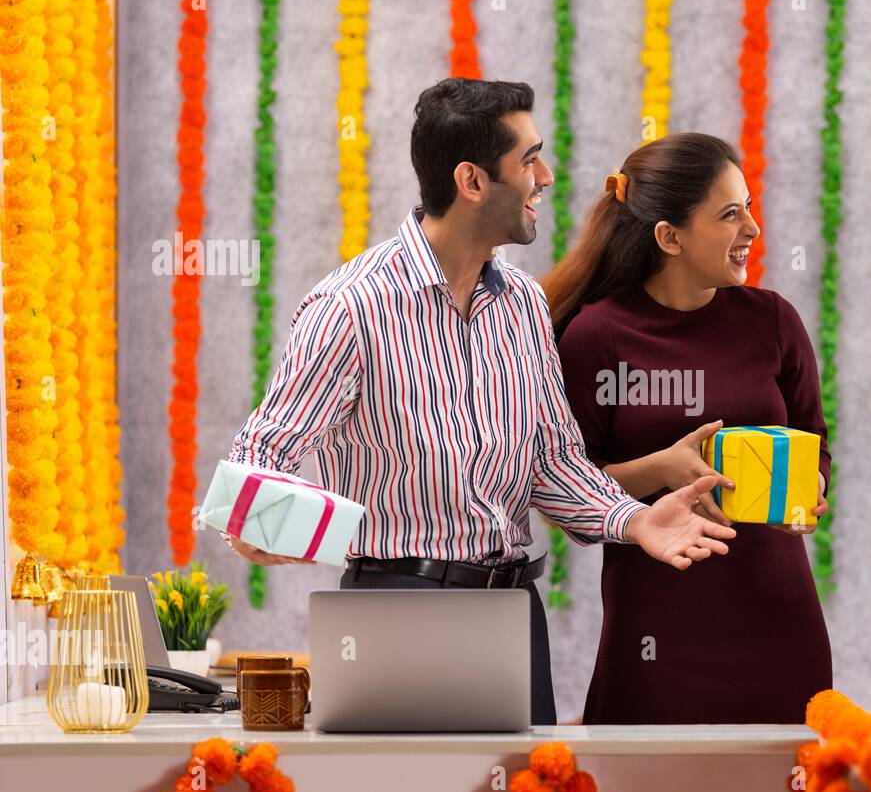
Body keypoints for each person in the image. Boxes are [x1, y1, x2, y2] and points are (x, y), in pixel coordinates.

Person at [223, 78, 737, 725]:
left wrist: (635, 520)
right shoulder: (352, 305)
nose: (544, 176)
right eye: (529, 159)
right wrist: (262, 525)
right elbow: (259, 463)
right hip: (396, 613)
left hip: (514, 612)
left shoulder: (522, 304)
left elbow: (554, 463)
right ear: (471, 181)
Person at [545, 132, 833, 724]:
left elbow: (815, 444)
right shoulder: (597, 337)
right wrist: (663, 468)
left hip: (778, 615)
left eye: (748, 207)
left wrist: (809, 493)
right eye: (731, 214)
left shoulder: (773, 320)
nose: (752, 229)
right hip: (656, 626)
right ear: (669, 237)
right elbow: (562, 487)